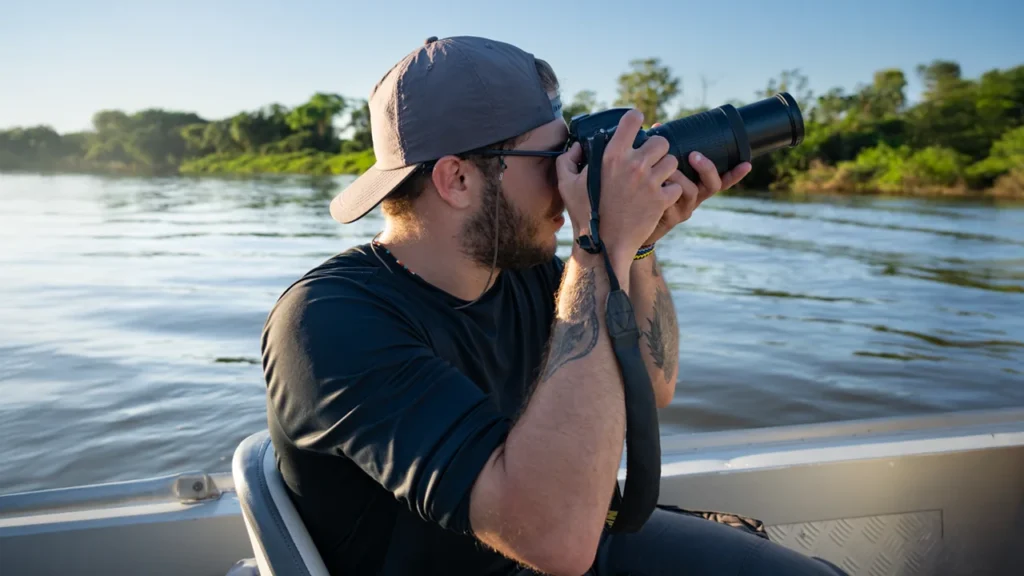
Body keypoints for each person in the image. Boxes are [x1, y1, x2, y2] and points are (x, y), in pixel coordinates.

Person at [261, 35, 846, 576]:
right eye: (553, 157)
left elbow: (652, 381)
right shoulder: (329, 322)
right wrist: (599, 248)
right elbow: (553, 542)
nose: (573, 177)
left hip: (587, 539)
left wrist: (636, 247)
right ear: (457, 179)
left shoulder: (529, 275)